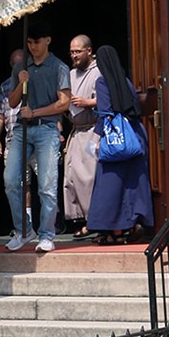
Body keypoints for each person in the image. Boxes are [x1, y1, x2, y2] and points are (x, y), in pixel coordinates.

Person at [4, 20, 71, 254]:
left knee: (47, 185)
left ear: (48, 41)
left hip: (46, 129)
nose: (33, 47)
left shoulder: (59, 67)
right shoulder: (22, 66)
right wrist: (21, 82)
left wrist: (36, 112)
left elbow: (64, 103)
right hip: (22, 128)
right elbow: (12, 102)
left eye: (37, 42)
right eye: (30, 42)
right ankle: (23, 229)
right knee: (11, 179)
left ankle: (46, 234)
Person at [90, 45, 156, 244]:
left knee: (110, 184)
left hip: (115, 138)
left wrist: (96, 139)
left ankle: (113, 229)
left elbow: (105, 112)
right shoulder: (126, 82)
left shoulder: (102, 83)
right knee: (132, 183)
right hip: (134, 135)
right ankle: (133, 223)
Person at [0, 48, 34, 240]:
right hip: (12, 141)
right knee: (17, 184)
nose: (18, 68)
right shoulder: (5, 86)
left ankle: (53, 222)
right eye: (14, 65)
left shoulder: (37, 80)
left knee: (46, 182)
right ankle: (24, 225)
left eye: (21, 64)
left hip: (36, 137)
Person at [63, 35, 101, 237]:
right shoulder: (70, 74)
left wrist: (87, 102)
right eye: (71, 52)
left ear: (89, 51)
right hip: (76, 129)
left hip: (92, 129)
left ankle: (94, 220)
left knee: (88, 176)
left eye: (78, 51)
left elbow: (107, 98)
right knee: (70, 177)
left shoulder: (98, 72)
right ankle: (82, 220)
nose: (74, 56)